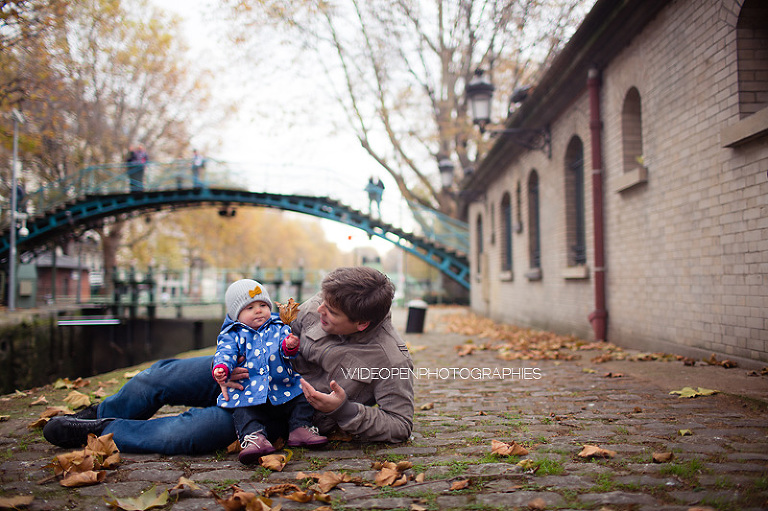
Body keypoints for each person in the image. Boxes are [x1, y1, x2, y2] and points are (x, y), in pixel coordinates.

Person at [43, 267, 414, 455]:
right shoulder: (328, 300)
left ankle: (102, 431)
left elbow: (400, 425)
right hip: (247, 368)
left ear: (361, 323)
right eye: (322, 302)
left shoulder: (388, 359)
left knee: (187, 433)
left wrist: (344, 410)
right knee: (159, 376)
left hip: (281, 408)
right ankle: (100, 411)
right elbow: (262, 320)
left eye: (330, 313)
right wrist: (231, 356)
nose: (318, 311)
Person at [213, 279, 327, 464]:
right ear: (236, 314)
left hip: (281, 386)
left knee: (302, 395)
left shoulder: (278, 327)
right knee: (243, 411)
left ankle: (300, 427)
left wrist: (289, 346)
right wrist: (222, 367)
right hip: (250, 390)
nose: (258, 310)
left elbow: (286, 351)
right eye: (250, 308)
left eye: (263, 305)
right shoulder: (232, 334)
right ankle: (254, 438)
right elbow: (225, 353)